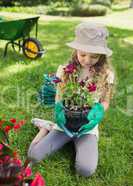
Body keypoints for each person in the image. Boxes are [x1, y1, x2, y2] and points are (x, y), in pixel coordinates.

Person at [28, 22, 115, 177]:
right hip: (65, 124)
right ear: (75, 50)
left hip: (86, 127)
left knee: (85, 170)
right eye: (82, 54)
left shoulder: (106, 74)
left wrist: (100, 110)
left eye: (94, 56)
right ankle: (45, 128)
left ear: (101, 55)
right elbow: (59, 98)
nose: (87, 60)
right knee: (33, 156)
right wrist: (59, 110)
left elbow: (105, 100)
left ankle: (78, 141)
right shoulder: (65, 71)